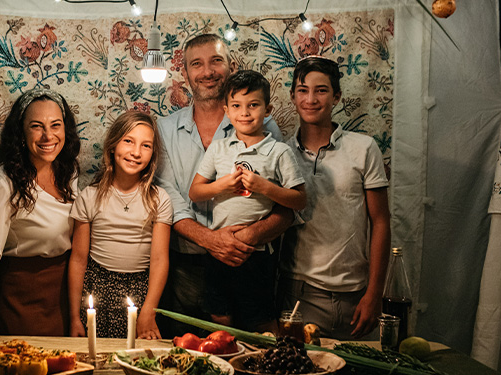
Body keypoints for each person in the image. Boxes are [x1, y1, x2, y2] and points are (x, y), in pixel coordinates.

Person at [155, 34, 294, 336]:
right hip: (185, 268)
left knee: (254, 350)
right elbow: (168, 198)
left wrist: (247, 237)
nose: (207, 71)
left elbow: (287, 204)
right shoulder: (164, 129)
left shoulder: (264, 127)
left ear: (230, 66)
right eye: (197, 64)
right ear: (185, 73)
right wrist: (209, 239)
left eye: (216, 61)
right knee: (190, 355)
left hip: (249, 258)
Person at [0, 88, 80, 335]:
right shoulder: (1, 184)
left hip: (64, 296)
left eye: (55, 125)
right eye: (36, 126)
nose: (48, 136)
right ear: (21, 132)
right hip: (22, 298)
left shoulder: (68, 172)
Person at [279, 56, 391, 340]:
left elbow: (381, 221)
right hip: (299, 293)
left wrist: (375, 293)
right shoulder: (279, 153)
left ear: (336, 96)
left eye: (321, 90)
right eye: (303, 90)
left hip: (356, 295)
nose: (311, 99)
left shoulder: (364, 148)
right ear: (292, 96)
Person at [188, 70, 306, 331]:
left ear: (267, 110)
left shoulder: (279, 151)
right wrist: (222, 185)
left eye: (253, 105)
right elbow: (195, 192)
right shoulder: (218, 149)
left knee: (260, 319)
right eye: (237, 106)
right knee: (219, 317)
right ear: (226, 111)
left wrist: (265, 187)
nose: (245, 113)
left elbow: (299, 200)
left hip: (258, 255)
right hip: (218, 250)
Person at [68, 111, 171, 340]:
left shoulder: (159, 199)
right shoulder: (89, 196)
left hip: (141, 293)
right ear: (113, 145)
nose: (136, 152)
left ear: (153, 153)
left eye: (146, 145)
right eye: (128, 141)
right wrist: (75, 316)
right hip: (96, 290)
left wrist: (149, 311)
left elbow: (159, 259)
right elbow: (78, 259)